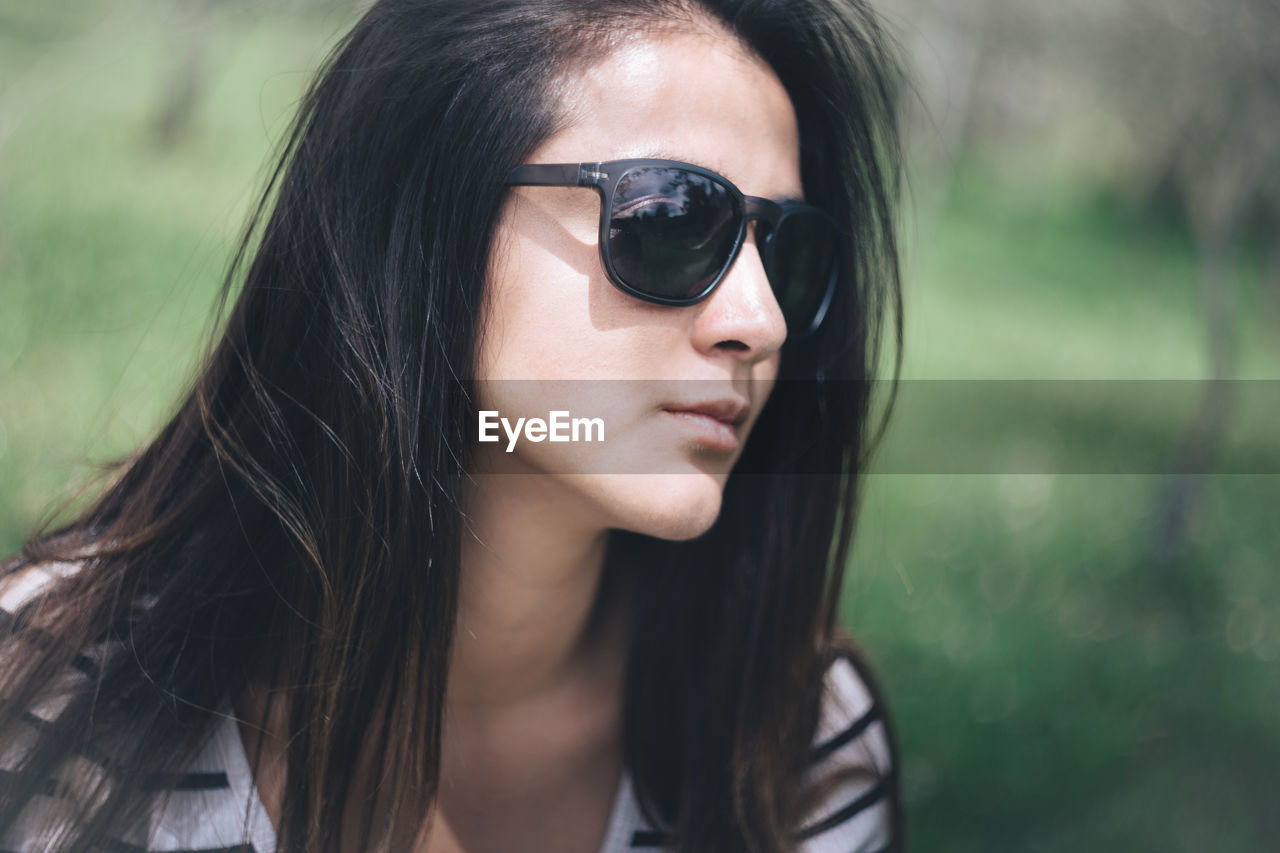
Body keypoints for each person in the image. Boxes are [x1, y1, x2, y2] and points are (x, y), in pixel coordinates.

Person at [0, 0, 905, 850]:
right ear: (426, 221)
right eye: (671, 218)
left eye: (788, 253)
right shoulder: (50, 695)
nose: (761, 319)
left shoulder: (796, 739)